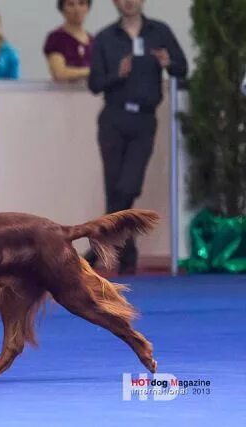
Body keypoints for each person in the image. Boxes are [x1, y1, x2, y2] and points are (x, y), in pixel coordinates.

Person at [87, 0, 187, 274]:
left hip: (144, 119)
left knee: (129, 186)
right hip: (114, 118)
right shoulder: (106, 37)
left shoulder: (160, 31)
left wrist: (169, 62)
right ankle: (127, 253)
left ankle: (99, 241)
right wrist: (116, 75)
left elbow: (182, 69)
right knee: (114, 186)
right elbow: (94, 84)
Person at [43, 0, 93, 82]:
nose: (77, 9)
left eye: (82, 3)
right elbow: (59, 73)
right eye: (70, 4)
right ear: (62, 9)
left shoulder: (93, 41)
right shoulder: (56, 38)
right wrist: (90, 71)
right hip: (64, 93)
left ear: (88, 8)